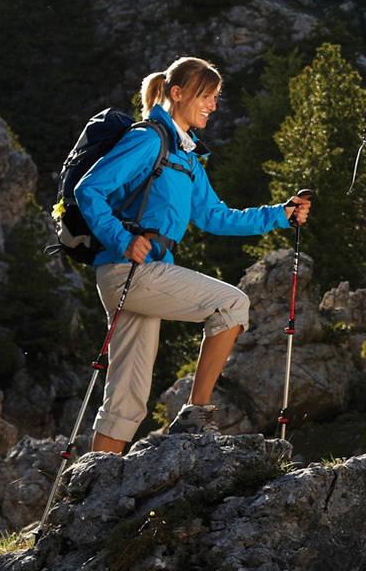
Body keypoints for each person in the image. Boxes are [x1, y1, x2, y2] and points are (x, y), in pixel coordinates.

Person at [74, 56, 311, 454]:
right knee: (232, 304)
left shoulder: (186, 157)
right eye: (206, 96)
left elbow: (216, 217)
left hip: (139, 276)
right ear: (176, 93)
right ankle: (195, 414)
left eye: (216, 98)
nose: (213, 106)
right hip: (128, 270)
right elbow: (89, 190)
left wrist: (280, 215)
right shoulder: (149, 139)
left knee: (126, 398)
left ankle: (93, 485)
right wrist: (122, 239)